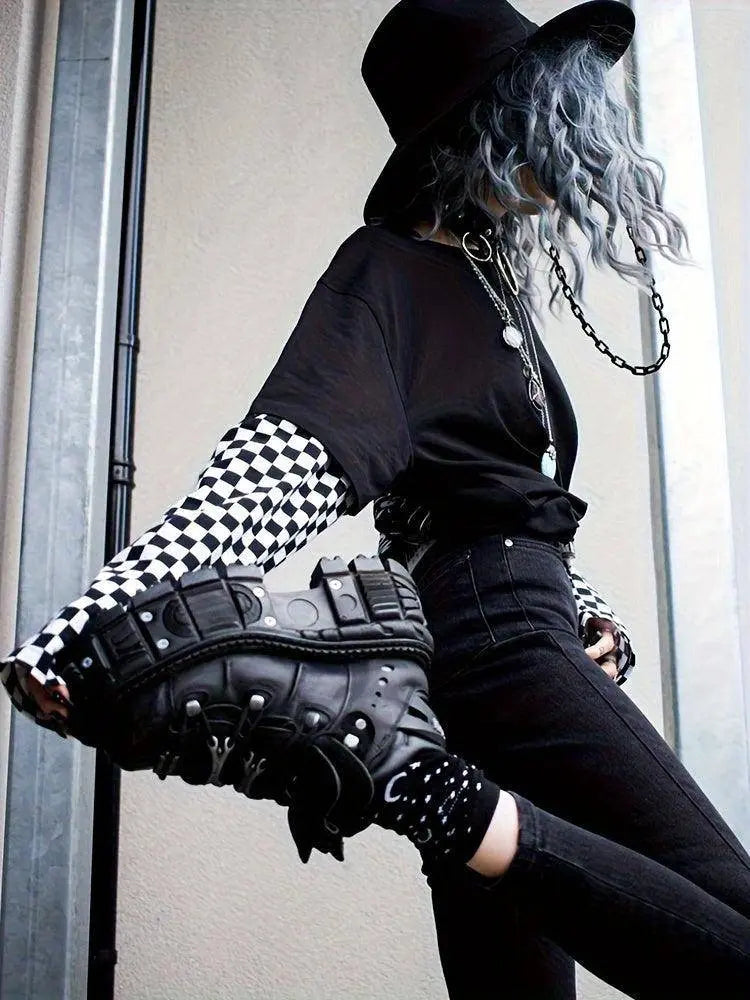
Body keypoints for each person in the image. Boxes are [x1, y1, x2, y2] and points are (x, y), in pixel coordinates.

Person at [3, 0, 750, 996]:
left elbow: (473, 491)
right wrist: (83, 632)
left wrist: (583, 608)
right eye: (560, 109)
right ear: (499, 118)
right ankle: (426, 788)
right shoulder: (391, 273)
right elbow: (276, 467)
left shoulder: (481, 274)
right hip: (495, 640)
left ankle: (435, 788)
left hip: (488, 643)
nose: (585, 140)